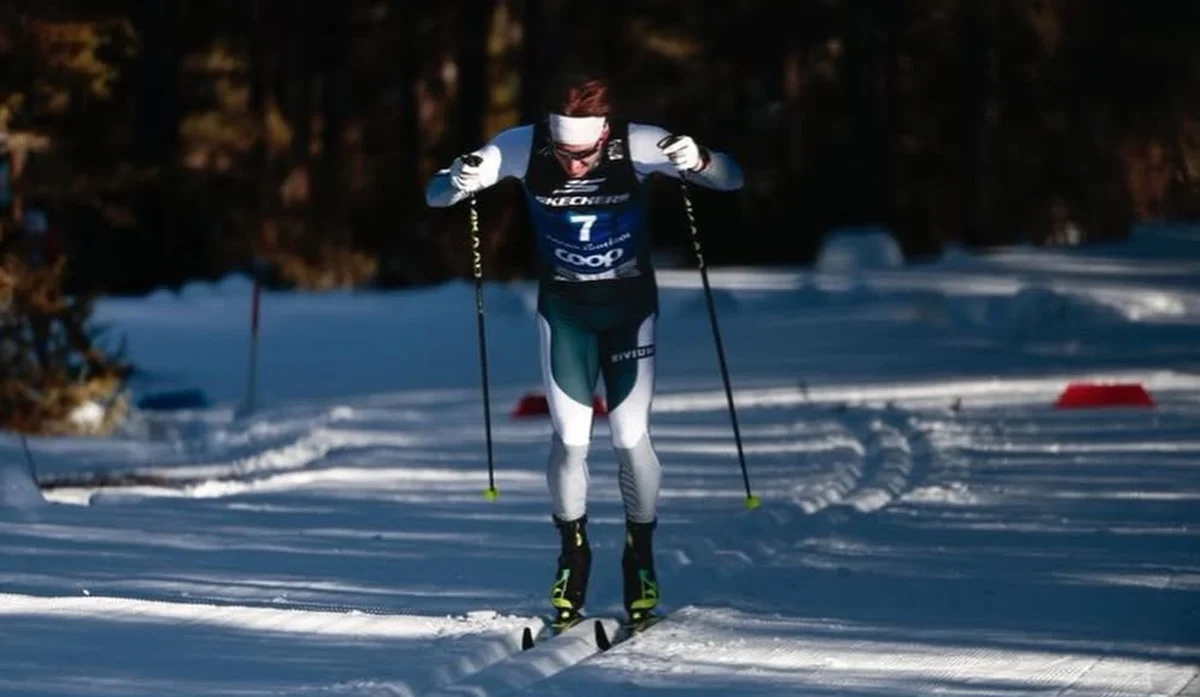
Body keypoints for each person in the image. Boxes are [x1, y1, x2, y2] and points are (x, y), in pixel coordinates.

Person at [424, 70, 744, 630]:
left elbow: (731, 179)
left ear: (604, 134)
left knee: (627, 436)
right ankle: (573, 557)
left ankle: (639, 559)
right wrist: (458, 176)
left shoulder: (639, 143)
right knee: (571, 443)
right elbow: (436, 196)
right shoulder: (522, 145)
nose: (573, 164)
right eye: (564, 153)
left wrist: (700, 160)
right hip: (566, 311)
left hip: (629, 309)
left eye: (585, 153)